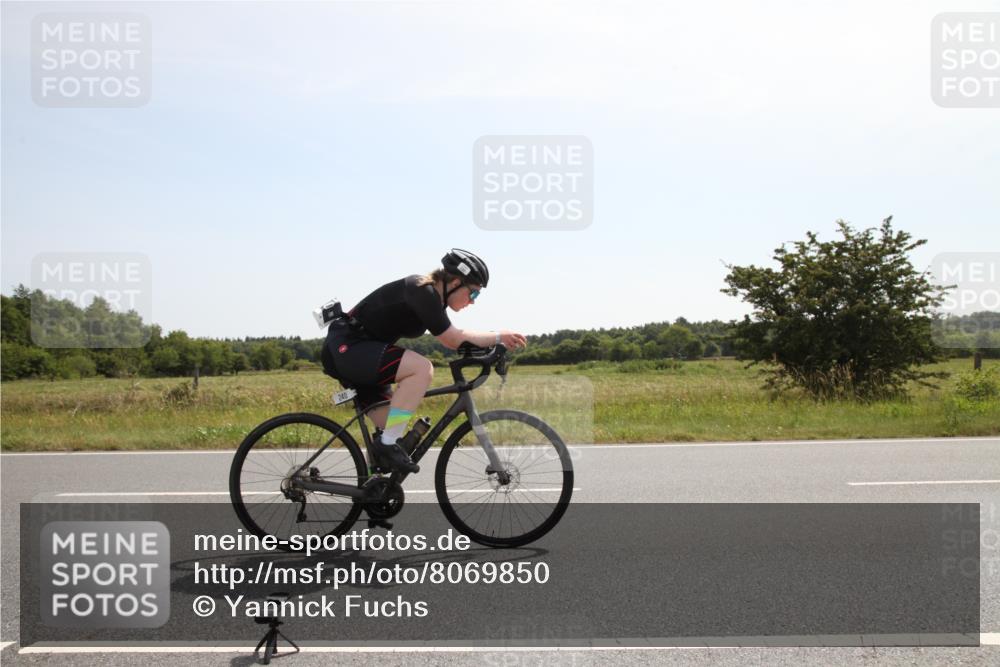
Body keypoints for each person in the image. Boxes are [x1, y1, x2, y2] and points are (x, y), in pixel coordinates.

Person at [321, 249, 527, 473]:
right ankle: (386, 444)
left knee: (392, 425)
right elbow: (452, 339)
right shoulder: (421, 291)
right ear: (456, 282)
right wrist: (498, 337)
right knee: (421, 369)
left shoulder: (433, 299)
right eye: (474, 293)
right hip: (349, 347)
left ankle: (374, 481)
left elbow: (460, 339)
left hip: (362, 353)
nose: (472, 301)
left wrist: (491, 349)